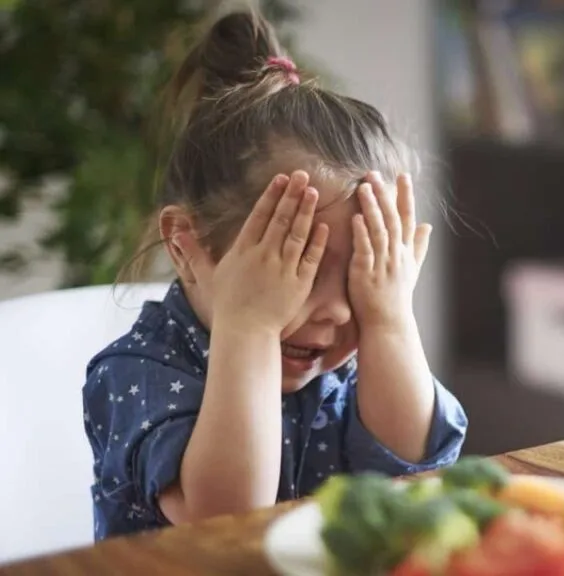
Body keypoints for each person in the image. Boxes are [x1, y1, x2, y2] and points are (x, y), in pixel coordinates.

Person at [81, 9, 467, 540]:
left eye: (360, 277)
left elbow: (416, 469)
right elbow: (226, 519)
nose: (335, 310)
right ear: (186, 246)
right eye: (299, 272)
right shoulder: (139, 371)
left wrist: (389, 319)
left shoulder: (353, 361)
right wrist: (251, 328)